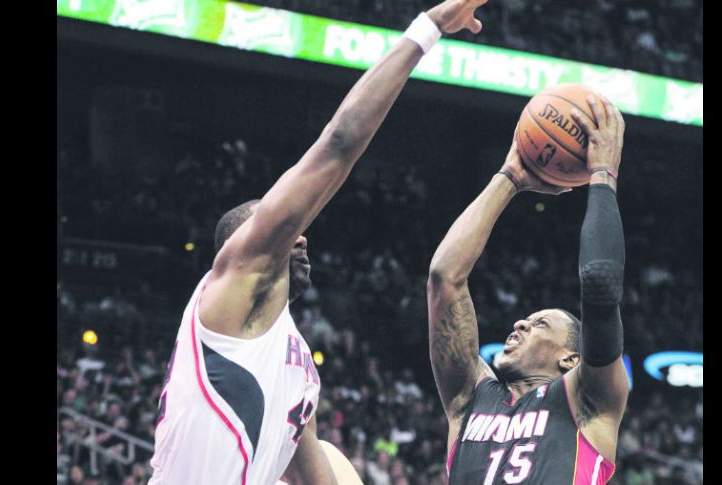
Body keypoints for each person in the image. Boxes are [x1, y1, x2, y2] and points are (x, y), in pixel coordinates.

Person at [148, 1, 490, 484]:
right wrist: (428, 28)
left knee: (336, 460)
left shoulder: (298, 365)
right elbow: (339, 143)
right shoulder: (229, 289)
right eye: (284, 233)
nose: (301, 236)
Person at [427, 95, 628, 484]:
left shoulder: (587, 401)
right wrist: (510, 177)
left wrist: (603, 174)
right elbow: (444, 277)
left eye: (540, 324)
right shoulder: (468, 398)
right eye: (528, 320)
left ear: (571, 358)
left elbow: (600, 285)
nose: (519, 323)